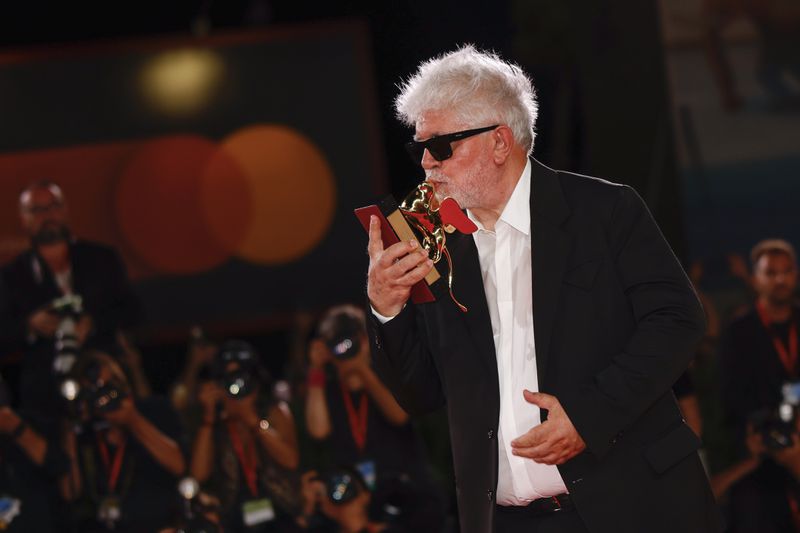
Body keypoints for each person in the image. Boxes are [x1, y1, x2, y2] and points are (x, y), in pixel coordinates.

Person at [365, 46, 720, 533]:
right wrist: (386, 310)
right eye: (418, 148)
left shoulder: (604, 211)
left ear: (499, 142)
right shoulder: (439, 248)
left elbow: (679, 322)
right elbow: (421, 394)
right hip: (505, 521)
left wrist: (588, 417)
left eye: (441, 146)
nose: (427, 163)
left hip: (633, 506)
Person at [0, 181, 142, 415]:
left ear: (65, 209)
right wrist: (30, 326)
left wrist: (93, 322)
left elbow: (133, 311)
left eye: (53, 206)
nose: (48, 215)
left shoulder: (102, 259)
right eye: (37, 210)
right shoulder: (11, 276)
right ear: (23, 217)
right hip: (46, 394)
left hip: (105, 379)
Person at [304, 305, 444, 531]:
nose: (344, 349)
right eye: (336, 343)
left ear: (365, 338)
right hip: (358, 503)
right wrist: (316, 369)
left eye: (351, 339)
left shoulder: (388, 373)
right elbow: (318, 430)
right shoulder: (329, 390)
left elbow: (399, 416)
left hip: (408, 496)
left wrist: (361, 368)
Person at [718, 238, 800, 532]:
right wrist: (756, 428)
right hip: (757, 449)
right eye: (771, 272)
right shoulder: (740, 331)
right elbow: (732, 395)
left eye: (787, 271)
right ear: (755, 279)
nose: (780, 279)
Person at [60, 351, 186, 532]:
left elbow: (179, 465)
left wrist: (131, 419)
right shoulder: (84, 432)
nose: (104, 396)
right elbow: (69, 492)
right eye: (95, 389)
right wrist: (71, 427)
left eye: (110, 385)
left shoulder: (153, 410)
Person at [190, 340, 302, 532]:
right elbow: (198, 474)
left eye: (242, 377)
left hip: (281, 512)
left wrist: (252, 420)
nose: (236, 386)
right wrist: (208, 416)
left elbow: (291, 460)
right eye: (228, 379)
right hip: (234, 518)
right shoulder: (215, 424)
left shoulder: (275, 412)